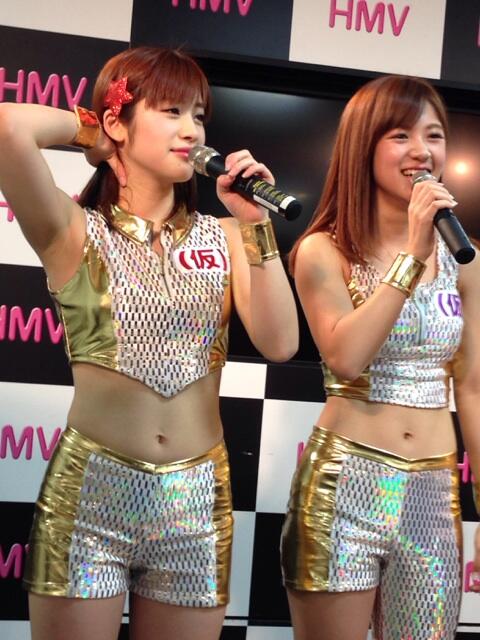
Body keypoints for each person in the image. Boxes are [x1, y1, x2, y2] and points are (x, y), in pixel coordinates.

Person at [0, 46, 298, 640]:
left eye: (199, 115)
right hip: (91, 497)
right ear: (120, 122)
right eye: (171, 111)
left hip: (196, 501)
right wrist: (94, 133)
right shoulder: (72, 229)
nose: (192, 131)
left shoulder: (227, 235)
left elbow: (281, 343)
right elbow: (9, 126)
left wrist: (255, 223)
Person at [280, 74, 480, 640]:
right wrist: (412, 254)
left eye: (434, 135)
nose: (422, 151)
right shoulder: (323, 250)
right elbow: (346, 357)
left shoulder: (465, 258)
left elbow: (472, 385)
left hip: (432, 494)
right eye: (400, 136)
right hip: (345, 486)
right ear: (362, 147)